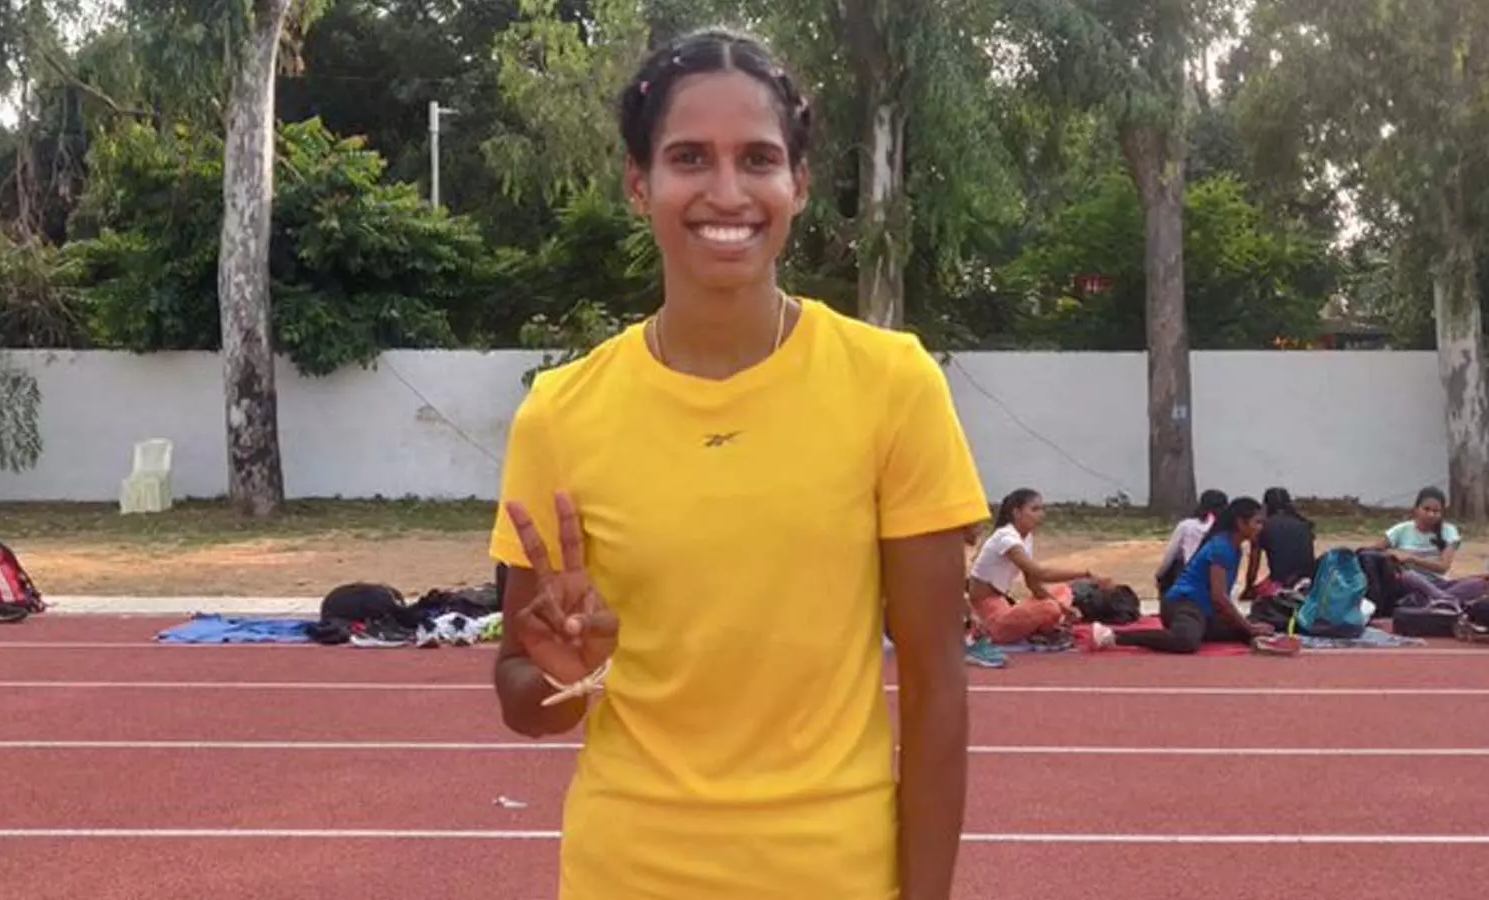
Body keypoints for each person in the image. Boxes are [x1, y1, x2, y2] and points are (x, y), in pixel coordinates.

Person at [488, 29, 988, 900]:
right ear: (639, 183)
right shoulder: (560, 413)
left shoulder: (892, 385)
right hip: (625, 875)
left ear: (799, 183)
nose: (727, 192)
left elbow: (937, 690)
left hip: (835, 874)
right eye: (689, 158)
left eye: (757, 159)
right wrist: (572, 676)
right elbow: (523, 695)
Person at [1091, 497, 1276, 654]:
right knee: (1186, 641)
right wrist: (1248, 626)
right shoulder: (1221, 548)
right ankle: (1115, 636)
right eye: (1257, 523)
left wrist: (1247, 628)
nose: (1261, 528)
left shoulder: (1235, 549)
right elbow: (1218, 596)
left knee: (1243, 630)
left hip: (1204, 611)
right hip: (1184, 604)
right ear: (1240, 523)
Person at [965, 488, 1115, 664]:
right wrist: (1086, 573)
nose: (1040, 515)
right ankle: (1038, 626)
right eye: (1034, 509)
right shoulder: (1006, 538)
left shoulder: (1025, 538)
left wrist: (1063, 607)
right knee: (1049, 608)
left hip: (1004, 605)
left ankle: (1044, 623)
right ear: (1016, 512)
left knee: (1063, 592)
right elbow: (1039, 572)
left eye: (1041, 509)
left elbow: (1033, 584)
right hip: (989, 616)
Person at [1374, 487, 1489, 604]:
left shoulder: (1448, 531)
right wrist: (1391, 555)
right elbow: (1373, 552)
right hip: (1411, 586)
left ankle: (1440, 600)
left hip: (1439, 585)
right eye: (1426, 509)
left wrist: (1412, 558)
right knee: (1409, 577)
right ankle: (1446, 601)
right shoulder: (1400, 530)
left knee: (1480, 583)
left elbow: (1443, 567)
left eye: (1436, 511)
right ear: (1416, 509)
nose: (1431, 514)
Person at [1241, 487, 1317, 598]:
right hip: (1309, 582)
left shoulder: (1262, 527)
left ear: (1266, 506)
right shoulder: (1303, 524)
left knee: (1258, 591)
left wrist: (1248, 589)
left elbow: (1254, 564)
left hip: (1281, 584)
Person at [1154, 489, 1228, 597]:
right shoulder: (1227, 529)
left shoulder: (1187, 526)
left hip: (1191, 575)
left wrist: (1159, 575)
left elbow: (1170, 555)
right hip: (1219, 577)